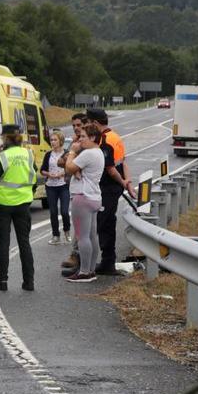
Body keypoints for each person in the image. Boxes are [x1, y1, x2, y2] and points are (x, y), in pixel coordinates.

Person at [0, 124, 37, 292]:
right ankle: (29, 282)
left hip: (3, 204)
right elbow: (33, 176)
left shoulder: (2, 157)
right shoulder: (28, 154)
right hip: (23, 203)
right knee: (24, 243)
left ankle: (2, 281)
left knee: (3, 243)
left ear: (5, 138)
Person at [86, 108, 136, 275]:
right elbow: (124, 163)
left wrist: (123, 181)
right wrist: (127, 183)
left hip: (107, 188)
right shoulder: (116, 136)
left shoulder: (105, 140)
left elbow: (110, 168)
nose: (86, 125)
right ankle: (107, 262)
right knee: (107, 224)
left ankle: (94, 264)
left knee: (99, 225)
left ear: (94, 123)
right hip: (114, 188)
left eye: (88, 122)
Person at [64, 125, 105, 283]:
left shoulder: (88, 153)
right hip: (94, 196)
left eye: (83, 137)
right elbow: (76, 169)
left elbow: (69, 167)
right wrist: (76, 169)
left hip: (82, 196)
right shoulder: (98, 152)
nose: (80, 140)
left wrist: (72, 152)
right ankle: (91, 269)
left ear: (93, 137)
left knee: (82, 237)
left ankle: (84, 272)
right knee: (92, 236)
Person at [60, 113, 89, 273]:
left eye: (79, 125)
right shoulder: (75, 142)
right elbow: (61, 160)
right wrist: (69, 159)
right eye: (74, 126)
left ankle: (79, 260)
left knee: (82, 228)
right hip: (76, 189)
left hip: (85, 191)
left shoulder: (86, 143)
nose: (76, 128)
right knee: (81, 227)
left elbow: (71, 166)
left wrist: (70, 160)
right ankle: (80, 260)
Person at [41, 130, 70, 245]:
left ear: (61, 141)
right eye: (51, 140)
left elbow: (71, 168)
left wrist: (61, 174)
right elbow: (42, 170)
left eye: (55, 140)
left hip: (63, 186)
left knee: (64, 211)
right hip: (50, 186)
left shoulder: (67, 153)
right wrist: (49, 174)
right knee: (53, 212)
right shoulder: (48, 154)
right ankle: (55, 236)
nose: (52, 142)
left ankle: (67, 231)